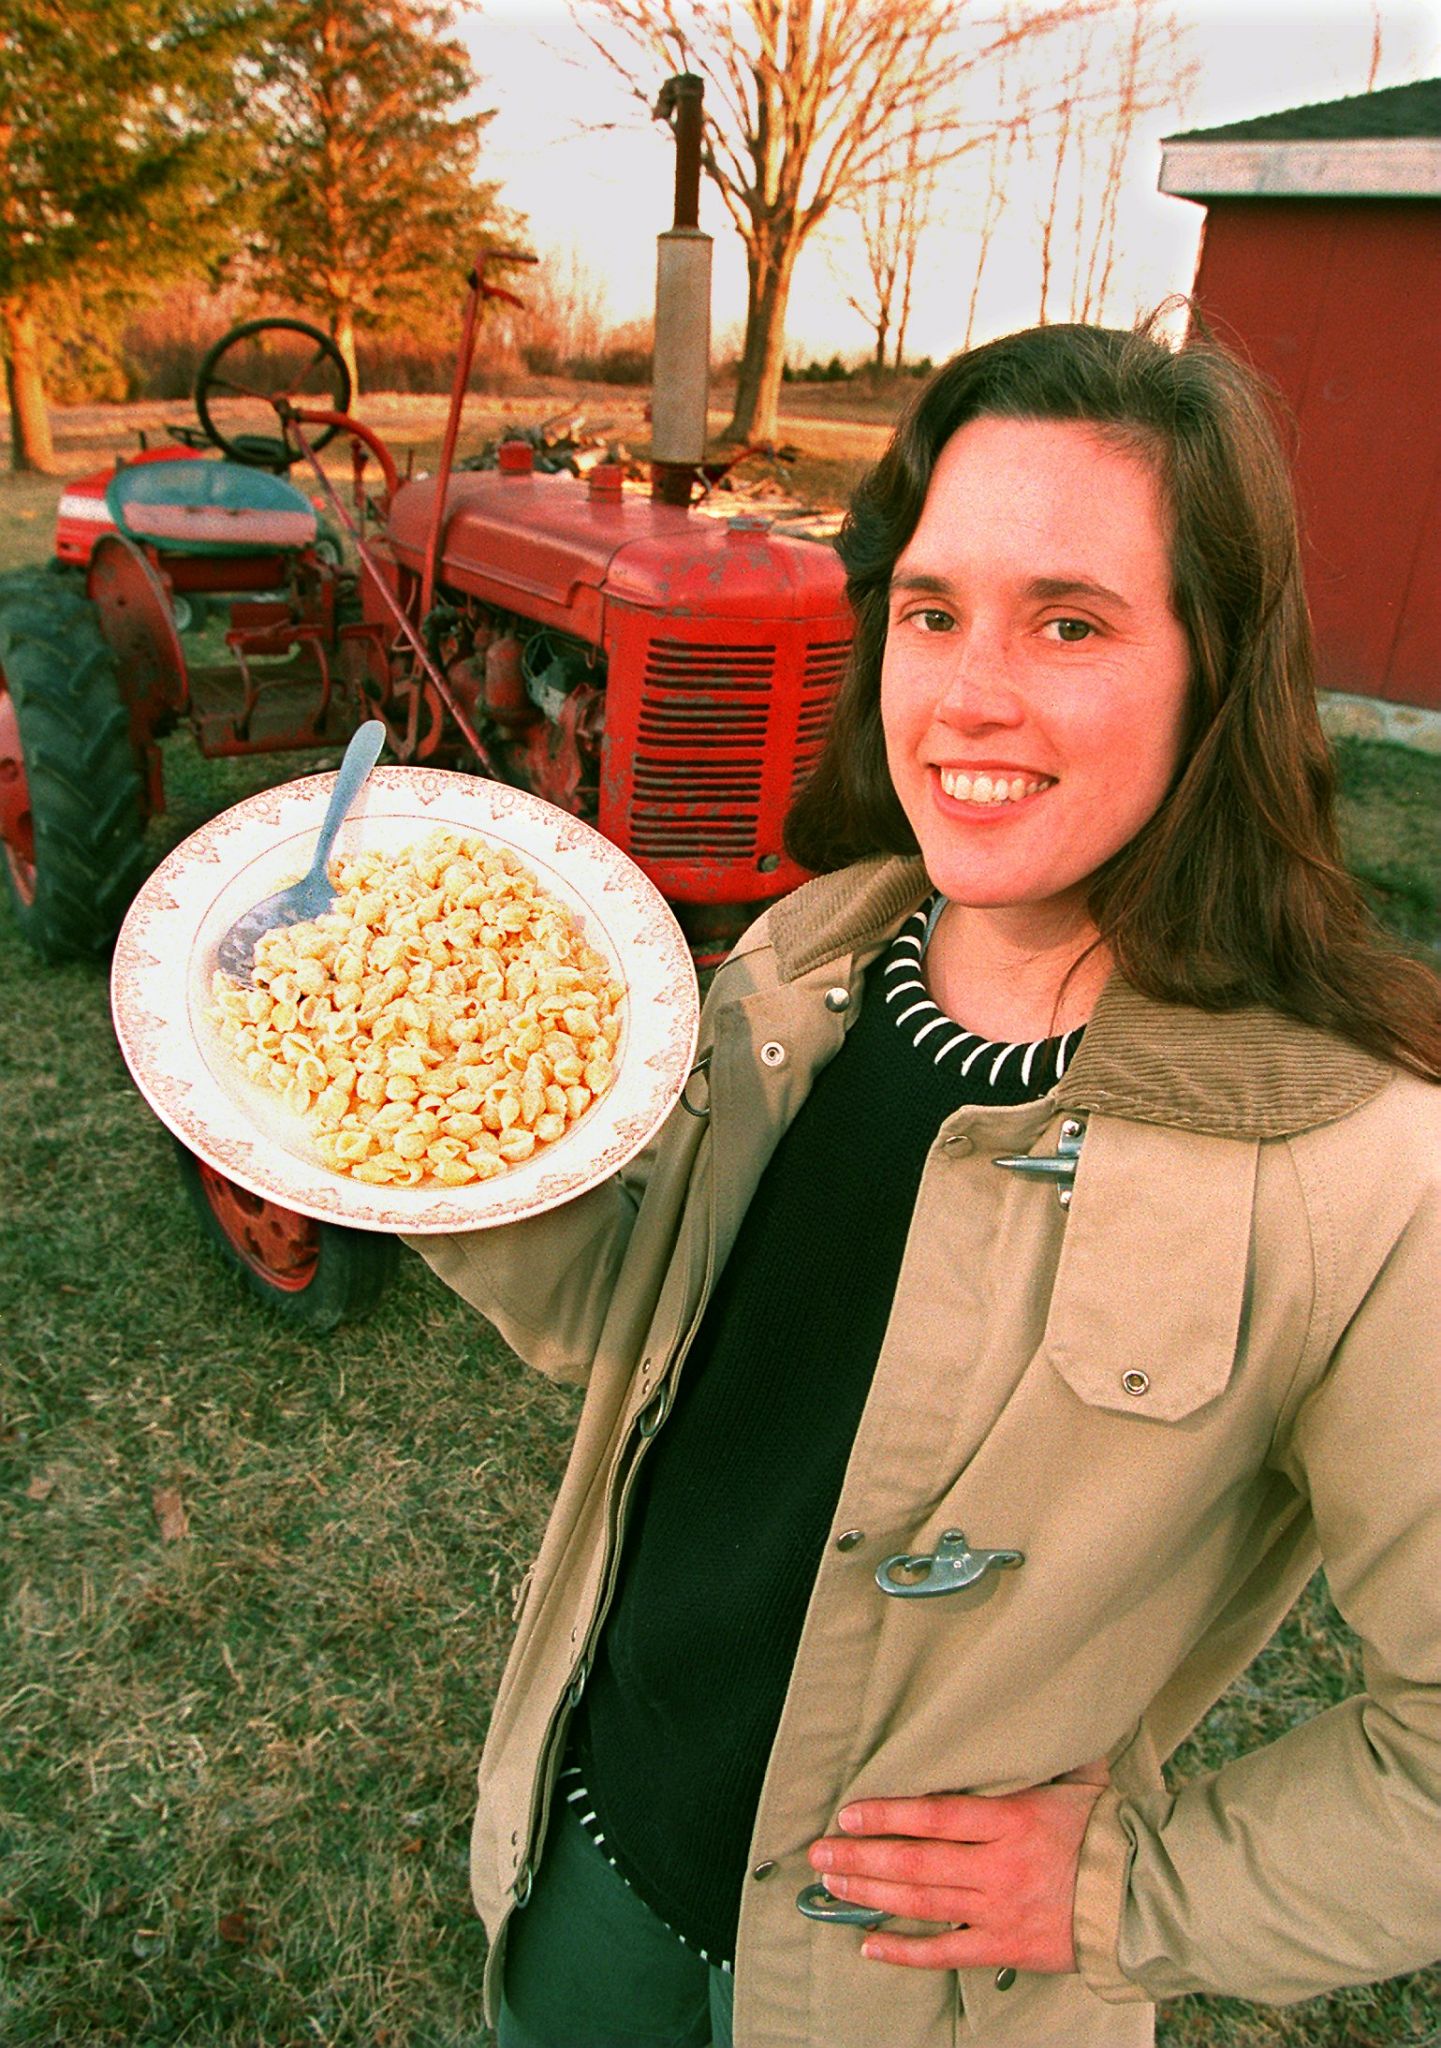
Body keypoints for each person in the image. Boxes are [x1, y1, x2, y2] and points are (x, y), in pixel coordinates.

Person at [405, 319, 1441, 2048]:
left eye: (1071, 622)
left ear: (1218, 665)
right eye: (931, 609)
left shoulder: (1359, 1165)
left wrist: (1127, 1891)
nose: (966, 693)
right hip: (580, 1880)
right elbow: (625, 1314)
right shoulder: (806, 961)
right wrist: (442, 1139)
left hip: (911, 2006)